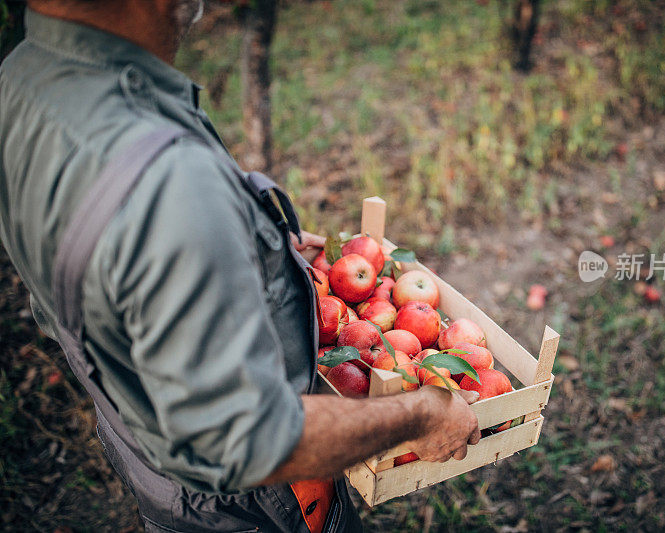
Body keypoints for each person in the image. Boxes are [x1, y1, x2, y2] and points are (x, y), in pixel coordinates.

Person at [0, 1, 481, 531]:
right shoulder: (172, 181)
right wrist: (420, 416)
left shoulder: (21, 81)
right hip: (256, 509)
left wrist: (241, 252)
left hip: (152, 465)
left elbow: (84, 282)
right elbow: (249, 439)